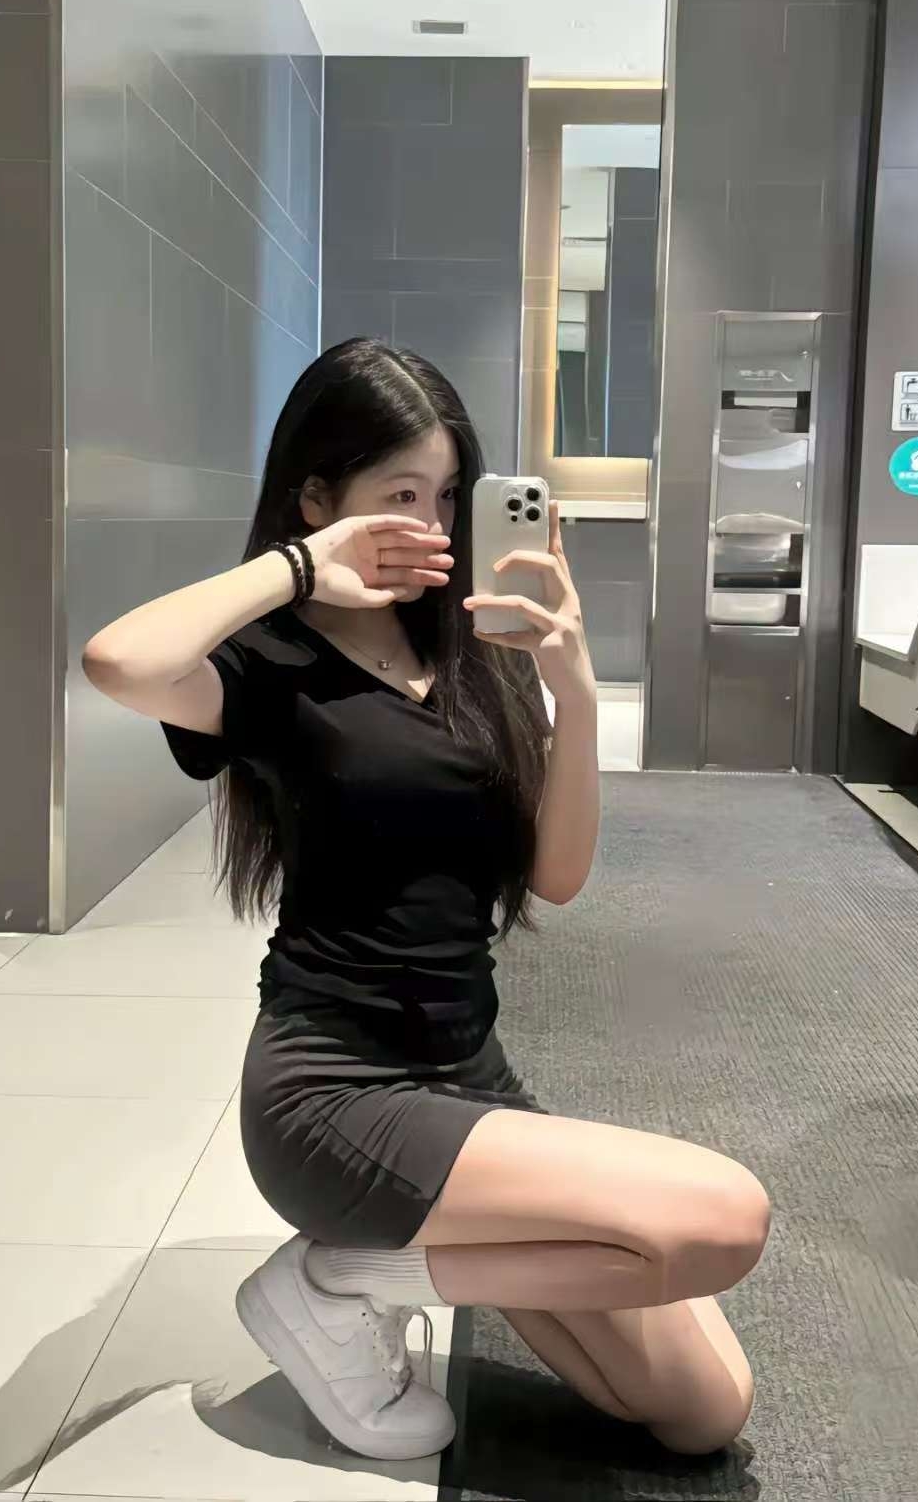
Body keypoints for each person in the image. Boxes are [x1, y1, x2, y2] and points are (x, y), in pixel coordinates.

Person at [83, 338, 770, 1464]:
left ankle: (374, 1270)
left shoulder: (473, 650)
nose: (434, 524)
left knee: (704, 1409)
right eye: (399, 495)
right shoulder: (268, 663)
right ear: (317, 497)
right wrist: (301, 568)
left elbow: (556, 876)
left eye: (448, 496)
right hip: (335, 1091)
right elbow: (118, 660)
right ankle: (341, 1280)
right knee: (722, 1217)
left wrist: (576, 692)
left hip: (468, 1075)